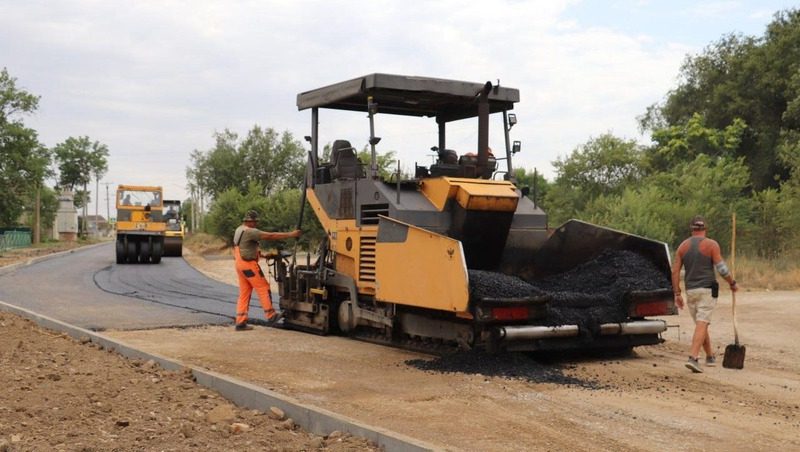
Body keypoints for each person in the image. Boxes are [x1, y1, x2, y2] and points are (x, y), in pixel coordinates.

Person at [672, 215, 739, 373]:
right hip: (707, 290)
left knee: (700, 324)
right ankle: (693, 358)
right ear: (705, 229)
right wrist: (732, 283)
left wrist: (677, 293)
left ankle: (709, 356)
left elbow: (675, 271)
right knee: (702, 324)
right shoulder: (711, 244)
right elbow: (721, 268)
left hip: (691, 292)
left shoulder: (683, 246)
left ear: (692, 229)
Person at [232, 210, 301, 331]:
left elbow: (244, 247)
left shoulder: (239, 229)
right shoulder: (250, 231)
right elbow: (271, 236)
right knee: (263, 287)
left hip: (239, 264)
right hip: (248, 265)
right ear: (251, 221)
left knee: (244, 293)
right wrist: (292, 234)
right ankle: (271, 315)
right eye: (255, 222)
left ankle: (240, 322)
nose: (256, 224)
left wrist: (263, 255)